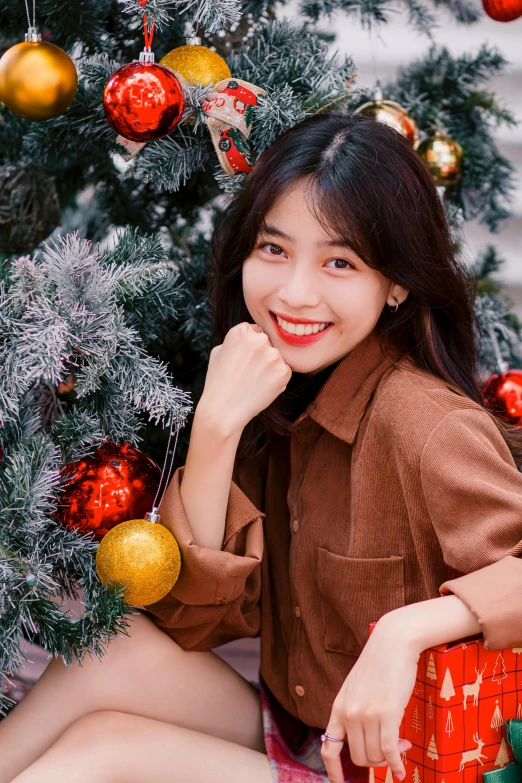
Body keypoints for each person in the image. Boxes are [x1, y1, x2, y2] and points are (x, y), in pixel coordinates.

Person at [2, 112, 522, 783]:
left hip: (408, 767)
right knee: (110, 650)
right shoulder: (273, 392)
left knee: (104, 749)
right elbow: (193, 623)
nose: (295, 293)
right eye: (274, 250)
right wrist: (216, 428)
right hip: (307, 732)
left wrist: (408, 630)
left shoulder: (429, 426)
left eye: (340, 261)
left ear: (397, 283)